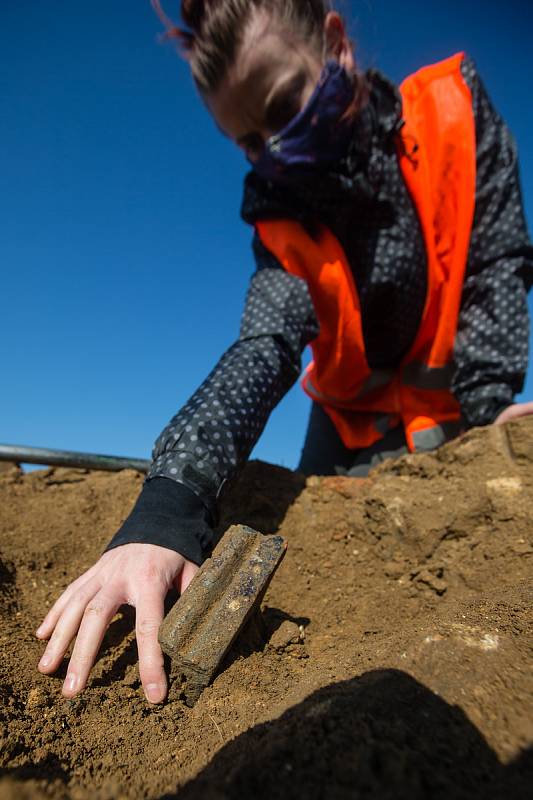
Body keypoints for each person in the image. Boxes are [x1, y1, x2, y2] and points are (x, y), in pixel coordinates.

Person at [36, 0, 533, 705]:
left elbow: (493, 262)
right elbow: (262, 348)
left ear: (335, 45)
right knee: (323, 522)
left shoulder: (452, 113)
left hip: (445, 400)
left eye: (284, 104)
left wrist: (487, 419)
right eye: (247, 139)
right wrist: (165, 510)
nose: (274, 148)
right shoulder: (280, 218)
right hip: (345, 412)